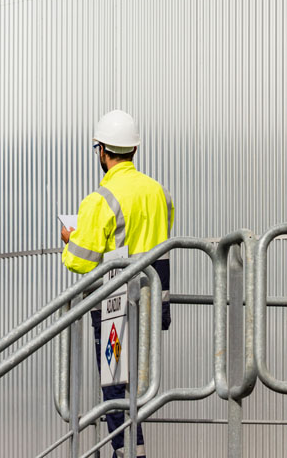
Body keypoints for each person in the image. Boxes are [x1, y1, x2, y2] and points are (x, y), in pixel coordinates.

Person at [61, 109, 174, 458]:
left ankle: (128, 452)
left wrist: (70, 238)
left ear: (103, 151)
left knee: (115, 388)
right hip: (154, 299)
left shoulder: (101, 200)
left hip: (115, 307)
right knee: (137, 384)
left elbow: (80, 260)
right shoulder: (159, 193)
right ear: (134, 150)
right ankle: (126, 449)